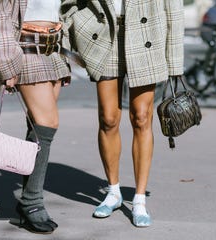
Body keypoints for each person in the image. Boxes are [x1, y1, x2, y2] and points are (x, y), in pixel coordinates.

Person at [61, 0, 184, 227]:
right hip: (106, 33)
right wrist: (76, 26)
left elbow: (173, 7)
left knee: (141, 117)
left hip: (146, 34)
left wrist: (175, 62)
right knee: (108, 118)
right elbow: (70, 4)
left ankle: (138, 200)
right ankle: (114, 191)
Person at [0, 0, 71, 234]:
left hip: (53, 47)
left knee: (38, 127)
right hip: (24, 47)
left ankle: (28, 202)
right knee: (48, 122)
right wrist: (6, 61)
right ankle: (32, 203)